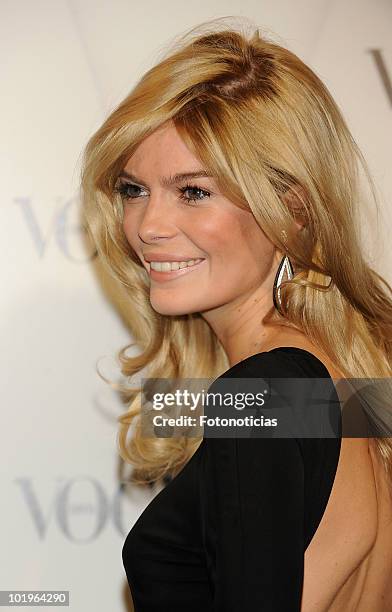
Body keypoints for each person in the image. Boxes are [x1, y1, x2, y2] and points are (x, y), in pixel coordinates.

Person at [80, 18, 392, 611]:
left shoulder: (263, 394)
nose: (148, 227)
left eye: (193, 191)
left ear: (292, 209)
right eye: (132, 189)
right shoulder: (341, 384)